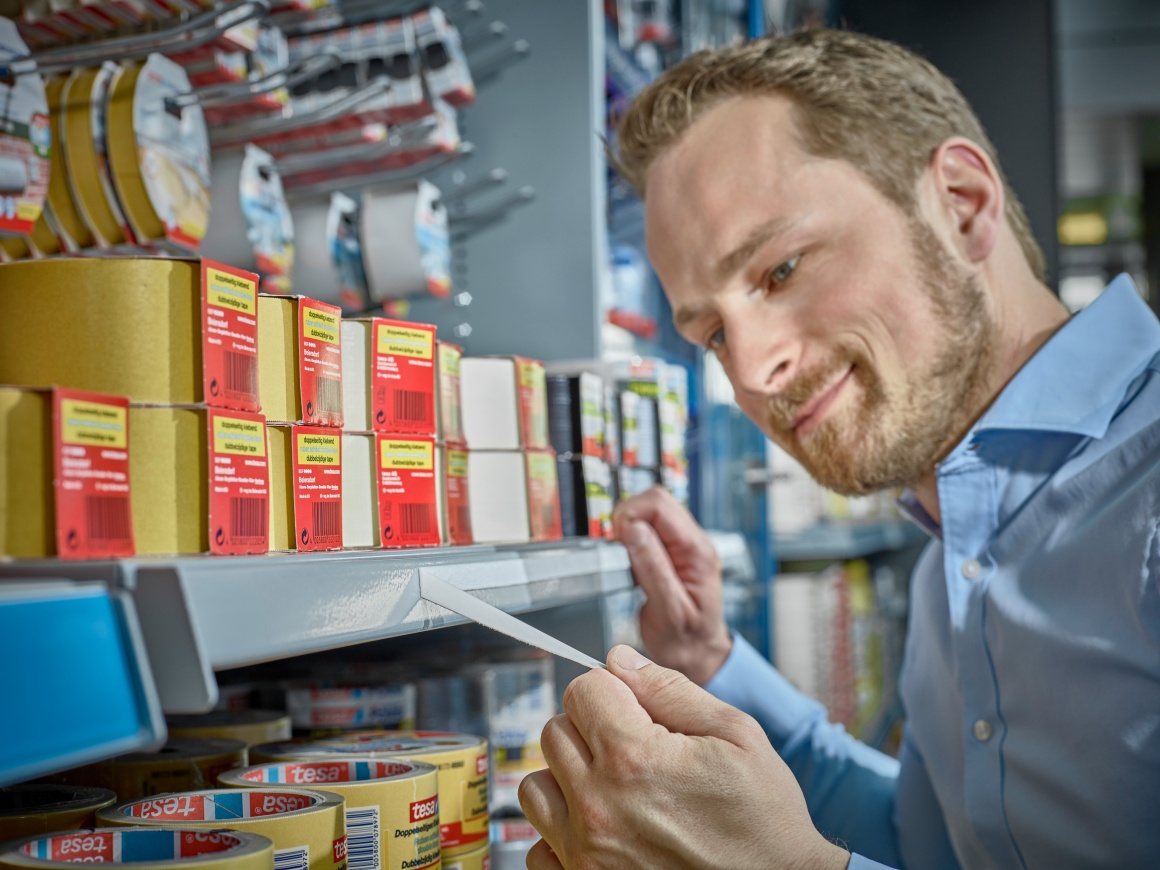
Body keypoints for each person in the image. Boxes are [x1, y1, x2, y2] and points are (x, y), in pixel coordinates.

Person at [516, 28, 1160, 870]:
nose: (751, 369)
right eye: (711, 334)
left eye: (781, 270)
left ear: (962, 203)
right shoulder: (952, 559)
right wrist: (708, 662)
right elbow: (927, 846)